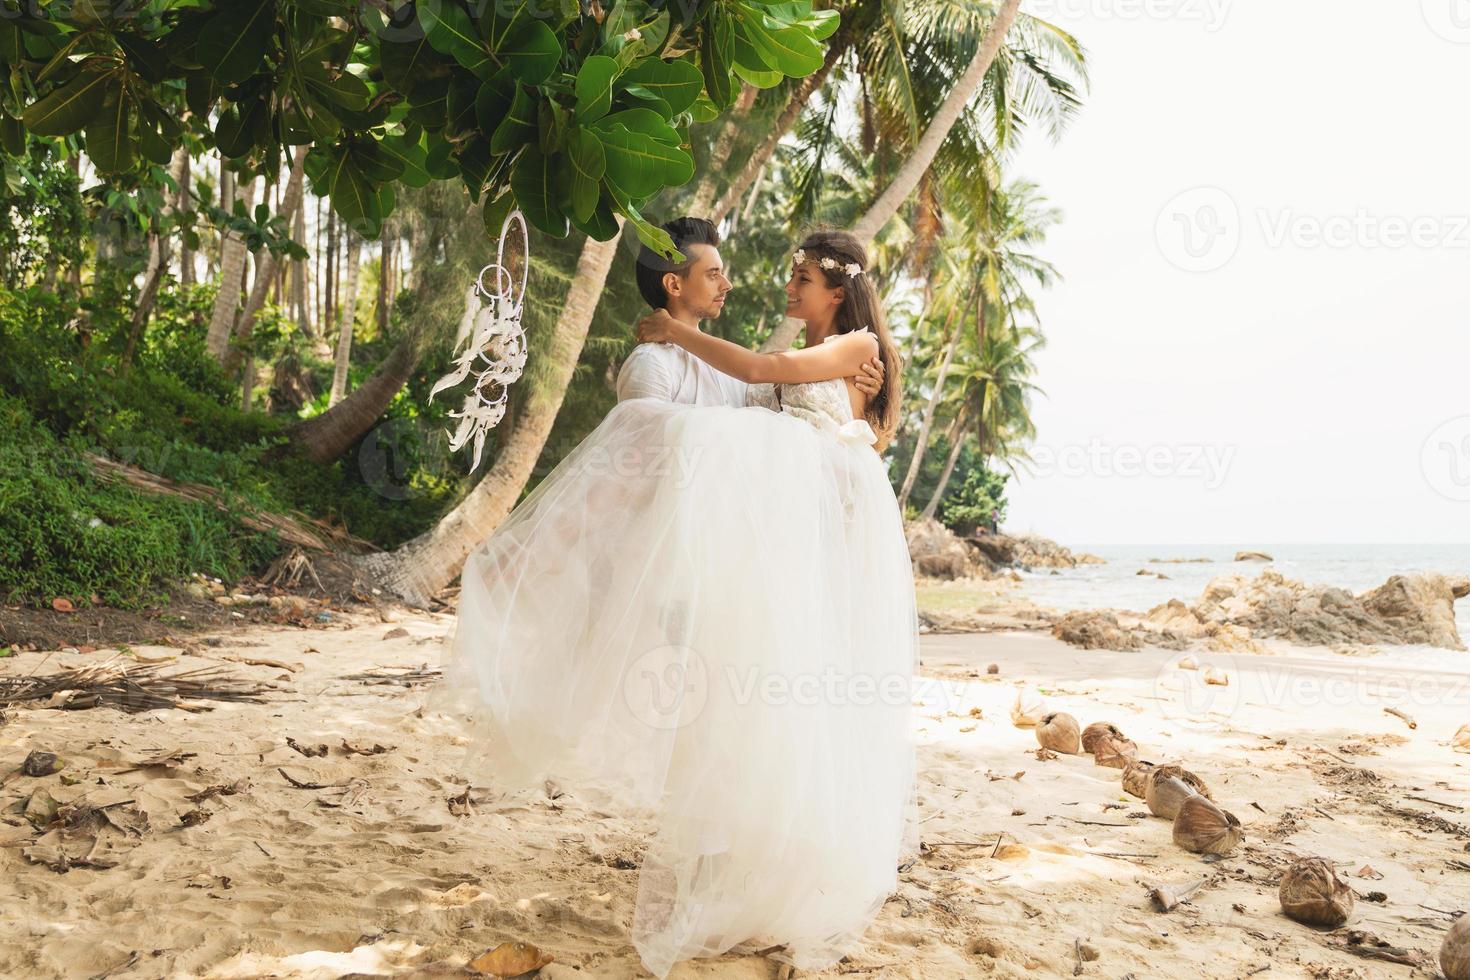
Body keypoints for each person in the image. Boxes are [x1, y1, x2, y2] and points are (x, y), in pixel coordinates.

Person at [426, 228, 920, 978]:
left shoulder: (856, 347)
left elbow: (763, 370)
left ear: (839, 288)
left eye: (802, 280)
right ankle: (735, 865)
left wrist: (676, 336)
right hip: (773, 544)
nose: (788, 289)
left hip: (815, 533)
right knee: (747, 705)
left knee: (797, 698)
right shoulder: (750, 358)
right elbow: (753, 398)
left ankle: (790, 872)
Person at [615, 216, 885, 407]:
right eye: (713, 274)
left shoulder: (732, 369)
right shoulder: (651, 363)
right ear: (673, 284)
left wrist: (858, 401)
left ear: (838, 293)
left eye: (802, 278)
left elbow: (755, 369)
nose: (727, 284)